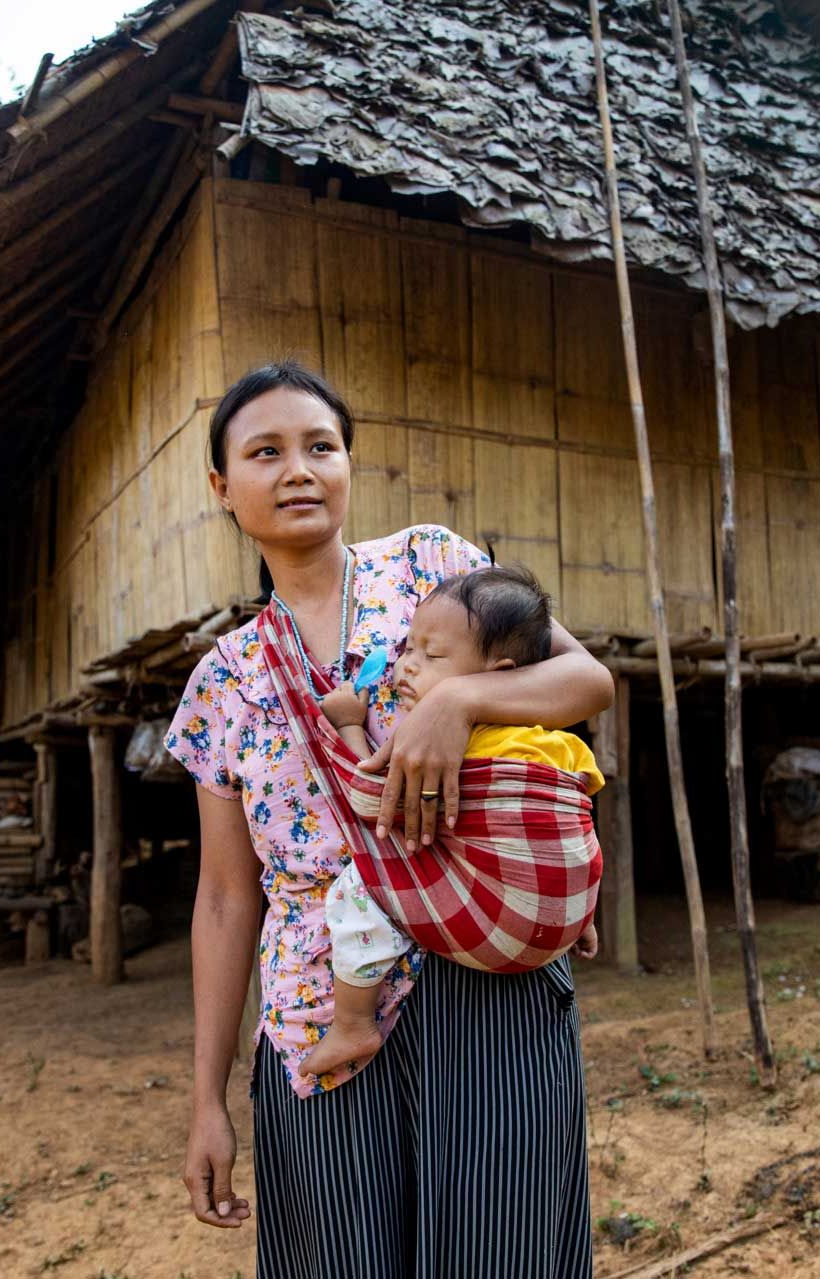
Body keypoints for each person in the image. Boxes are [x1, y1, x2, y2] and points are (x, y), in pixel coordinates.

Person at [165, 360, 613, 1277]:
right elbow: (222, 897)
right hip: (318, 1006)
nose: (299, 469)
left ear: (349, 464)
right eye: (266, 451)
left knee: (505, 1249)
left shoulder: (435, 568)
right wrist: (207, 1096)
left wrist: (463, 706)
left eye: (320, 446)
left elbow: (586, 681)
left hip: (478, 970)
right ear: (222, 487)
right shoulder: (221, 682)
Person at [301, 562, 605, 1079]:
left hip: (497, 925)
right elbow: (569, 814)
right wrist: (572, 902)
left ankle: (353, 1021)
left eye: (433, 655)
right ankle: (577, 912)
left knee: (358, 886)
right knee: (572, 827)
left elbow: (370, 801)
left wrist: (352, 726)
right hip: (562, 918)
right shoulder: (553, 741)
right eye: (408, 650)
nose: (407, 668)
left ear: (501, 675)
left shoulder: (449, 748)